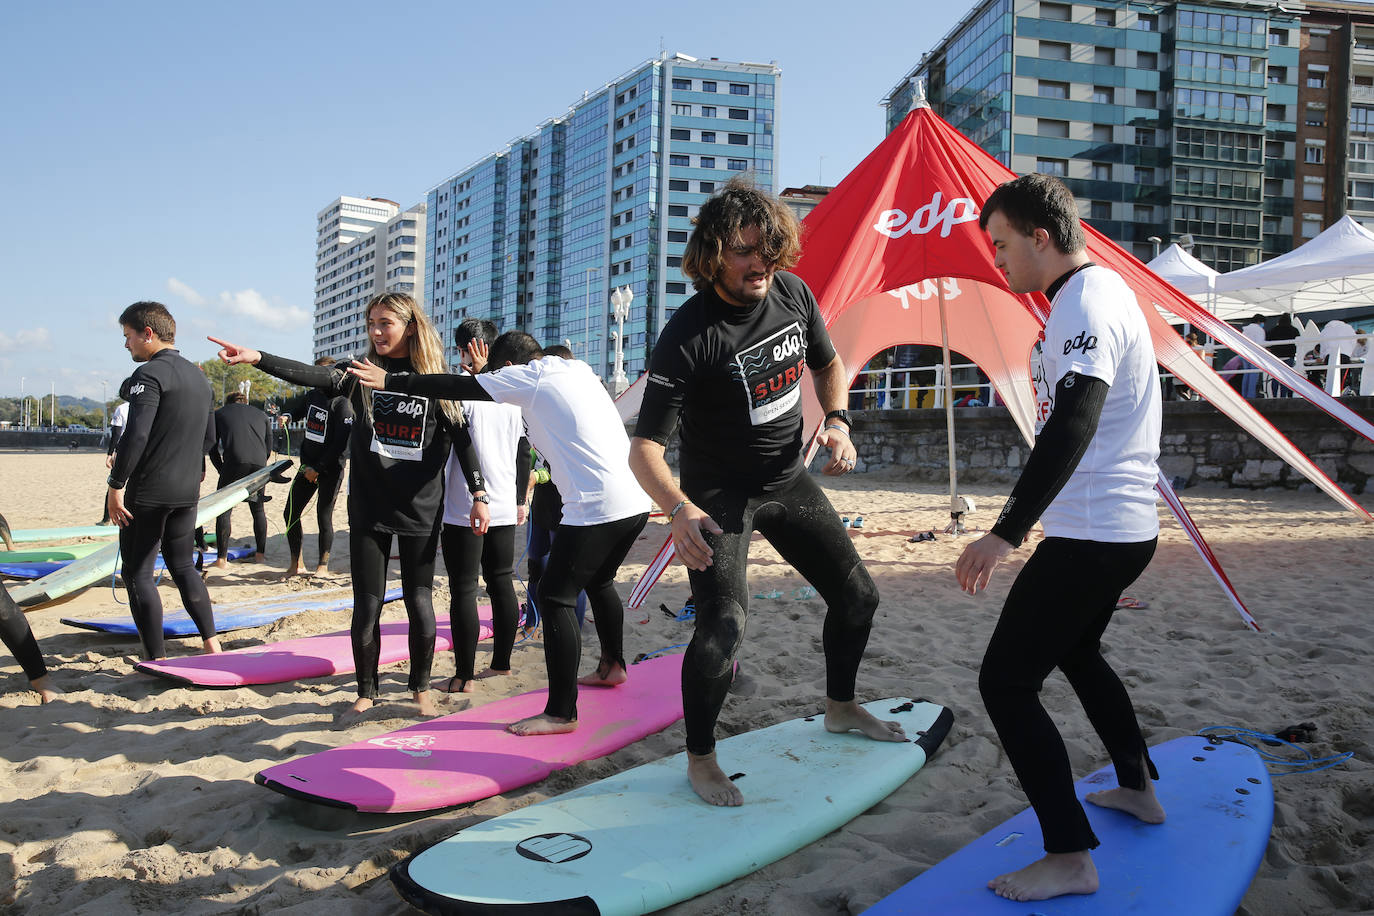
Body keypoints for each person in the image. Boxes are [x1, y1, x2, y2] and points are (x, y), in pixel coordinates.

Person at [626, 177, 906, 808]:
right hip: (719, 498)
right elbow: (643, 450)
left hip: (787, 478)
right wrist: (678, 509)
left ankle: (840, 706)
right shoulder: (689, 335)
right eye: (743, 250)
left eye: (768, 249)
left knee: (859, 596)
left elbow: (828, 362)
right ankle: (700, 758)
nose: (759, 263)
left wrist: (837, 420)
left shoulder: (794, 292)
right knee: (723, 627)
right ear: (712, 254)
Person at [956, 174, 1164, 902]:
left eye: (1004, 244)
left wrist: (1003, 533)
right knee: (1076, 650)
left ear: (1042, 237)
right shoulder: (1083, 298)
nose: (999, 261)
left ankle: (1070, 856)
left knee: (1006, 684)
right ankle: (1139, 786)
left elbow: (1076, 417)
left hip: (1094, 534)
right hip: (1114, 529)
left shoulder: (1087, 299)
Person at [347, 330, 650, 737]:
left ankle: (561, 713)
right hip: (634, 503)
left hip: (595, 506)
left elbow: (454, 385)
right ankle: (613, 665)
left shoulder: (531, 376)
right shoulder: (576, 368)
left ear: (508, 368)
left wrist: (391, 381)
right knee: (599, 580)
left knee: (555, 595)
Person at [209, 292, 488, 721]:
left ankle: (419, 689)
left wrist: (479, 495)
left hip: (420, 508)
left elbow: (465, 442)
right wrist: (256, 357)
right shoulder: (356, 374)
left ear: (410, 326)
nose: (376, 331)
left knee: (419, 600)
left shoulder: (434, 379)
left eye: (386, 323)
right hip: (370, 505)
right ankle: (366, 690)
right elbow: (309, 375)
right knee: (368, 603)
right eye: (371, 323)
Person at [107, 301, 221, 660]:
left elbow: (135, 436)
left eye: (128, 337)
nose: (126, 345)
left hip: (149, 491)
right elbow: (208, 438)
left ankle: (155, 657)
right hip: (187, 490)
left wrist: (115, 485)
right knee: (183, 565)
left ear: (148, 334)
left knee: (138, 573)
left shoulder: (150, 375)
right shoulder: (199, 377)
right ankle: (212, 644)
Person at [438, 318, 530, 693]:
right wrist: (522, 498)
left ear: (466, 350)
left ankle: (463, 676)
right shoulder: (514, 393)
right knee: (501, 582)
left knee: (463, 589)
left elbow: (460, 445)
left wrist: (481, 495)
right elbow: (525, 452)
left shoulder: (462, 391)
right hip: (505, 502)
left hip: (467, 504)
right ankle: (502, 665)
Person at [520, 346, 589, 634]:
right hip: (542, 506)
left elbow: (561, 465)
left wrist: (537, 475)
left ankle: (575, 624)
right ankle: (533, 619)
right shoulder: (538, 410)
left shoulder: (581, 411)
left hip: (571, 506)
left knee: (571, 573)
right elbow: (533, 454)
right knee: (536, 566)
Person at [282, 357, 353, 576]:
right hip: (307, 465)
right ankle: (296, 563)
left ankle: (322, 566)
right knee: (290, 513)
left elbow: (341, 444)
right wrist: (288, 415)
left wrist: (319, 468)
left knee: (324, 516)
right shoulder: (313, 395)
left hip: (330, 468)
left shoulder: (342, 403)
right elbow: (299, 409)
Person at [209, 391, 273, 566]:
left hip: (234, 461)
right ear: (246, 402)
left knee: (224, 509)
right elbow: (268, 447)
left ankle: (221, 559)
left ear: (228, 403)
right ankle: (260, 555)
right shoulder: (261, 415)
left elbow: (212, 448)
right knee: (258, 509)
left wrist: (222, 470)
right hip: (260, 463)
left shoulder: (219, 414)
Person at [97, 399, 130, 524]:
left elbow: (116, 433)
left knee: (114, 484)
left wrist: (110, 453)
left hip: (123, 452)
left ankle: (106, 519)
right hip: (143, 453)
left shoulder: (122, 408)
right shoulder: (148, 406)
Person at [1268, 313, 1301, 398]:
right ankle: (1284, 397)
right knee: (1287, 378)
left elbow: (1268, 343)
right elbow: (1298, 343)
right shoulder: (1294, 330)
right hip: (1289, 356)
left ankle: (1274, 397)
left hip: (1276, 357)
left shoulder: (1273, 330)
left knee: (1276, 378)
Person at [1239, 314, 1268, 399]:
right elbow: (1260, 343)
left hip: (1244, 353)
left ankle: (1244, 394)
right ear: (1259, 321)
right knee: (1253, 376)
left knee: (1246, 375)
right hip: (1254, 355)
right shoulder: (1259, 330)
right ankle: (1251, 395)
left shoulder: (1245, 329)